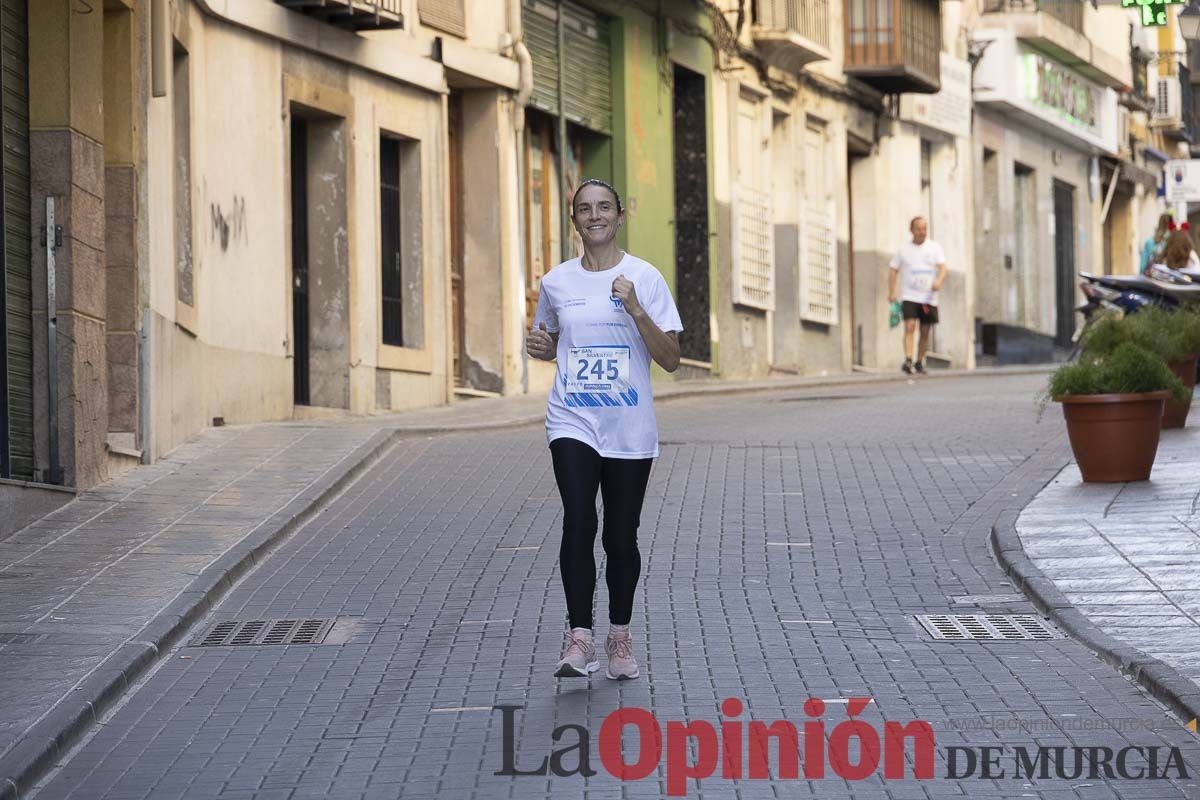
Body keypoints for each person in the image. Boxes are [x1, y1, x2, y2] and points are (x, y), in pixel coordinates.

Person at [525, 179, 682, 681]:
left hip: (628, 425)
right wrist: (542, 348)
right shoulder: (557, 282)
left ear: (619, 217)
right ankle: (579, 638)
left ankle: (618, 634)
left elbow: (672, 359)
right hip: (573, 417)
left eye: (604, 208)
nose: (594, 216)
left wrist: (636, 309)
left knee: (620, 533)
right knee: (578, 518)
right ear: (574, 221)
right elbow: (550, 342)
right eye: (584, 209)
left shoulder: (645, 278)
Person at [887, 216, 947, 375]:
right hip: (910, 295)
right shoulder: (903, 250)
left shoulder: (934, 248)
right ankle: (908, 359)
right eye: (918, 229)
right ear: (911, 230)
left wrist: (938, 281)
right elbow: (893, 270)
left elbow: (943, 268)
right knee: (910, 326)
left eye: (924, 229)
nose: (922, 232)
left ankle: (920, 360)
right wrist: (892, 291)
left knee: (925, 330)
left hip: (928, 298)